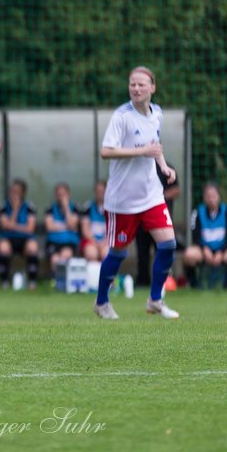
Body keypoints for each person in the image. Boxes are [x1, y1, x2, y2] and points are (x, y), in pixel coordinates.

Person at [94, 66, 180, 319]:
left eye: (141, 84)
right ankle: (101, 303)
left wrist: (164, 168)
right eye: (132, 84)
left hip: (151, 195)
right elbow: (106, 151)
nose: (136, 88)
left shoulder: (157, 114)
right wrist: (140, 152)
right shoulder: (122, 117)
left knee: (168, 245)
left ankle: (155, 299)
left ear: (152, 87)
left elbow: (154, 146)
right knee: (118, 253)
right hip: (122, 201)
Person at [184, 181, 227, 288]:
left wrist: (221, 252)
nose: (211, 199)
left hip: (223, 250)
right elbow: (196, 237)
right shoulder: (197, 212)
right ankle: (193, 284)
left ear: (218, 196)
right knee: (188, 255)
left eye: (213, 196)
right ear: (204, 197)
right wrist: (204, 249)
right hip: (204, 251)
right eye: (208, 196)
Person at [135, 163, 181, 288]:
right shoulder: (139, 167)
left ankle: (163, 281)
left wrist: (158, 197)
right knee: (142, 252)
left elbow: (176, 189)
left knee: (163, 250)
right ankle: (143, 281)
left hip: (160, 219)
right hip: (142, 219)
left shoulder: (166, 167)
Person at [0, 178, 39, 289]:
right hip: (8, 238)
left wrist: (13, 226)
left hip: (25, 239)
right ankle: (4, 282)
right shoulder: (3, 206)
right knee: (3, 248)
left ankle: (32, 282)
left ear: (23, 193)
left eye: (17, 191)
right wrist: (15, 210)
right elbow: (5, 226)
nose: (14, 193)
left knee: (33, 247)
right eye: (12, 191)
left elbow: (30, 229)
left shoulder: (30, 207)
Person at [44, 181, 82, 275]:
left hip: (69, 242)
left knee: (65, 255)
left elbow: (72, 225)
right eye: (59, 194)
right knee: (55, 259)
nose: (61, 197)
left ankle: (66, 280)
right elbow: (49, 227)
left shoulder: (75, 207)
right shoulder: (50, 208)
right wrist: (66, 226)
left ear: (68, 194)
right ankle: (58, 281)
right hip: (53, 242)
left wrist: (66, 208)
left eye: (63, 194)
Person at [80, 179, 110, 261]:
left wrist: (104, 242)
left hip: (106, 241)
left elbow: (114, 229)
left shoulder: (112, 209)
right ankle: (94, 274)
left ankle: (106, 274)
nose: (100, 193)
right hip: (91, 240)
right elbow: (85, 230)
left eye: (102, 191)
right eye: (98, 191)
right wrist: (96, 242)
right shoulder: (87, 207)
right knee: (91, 254)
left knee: (106, 254)